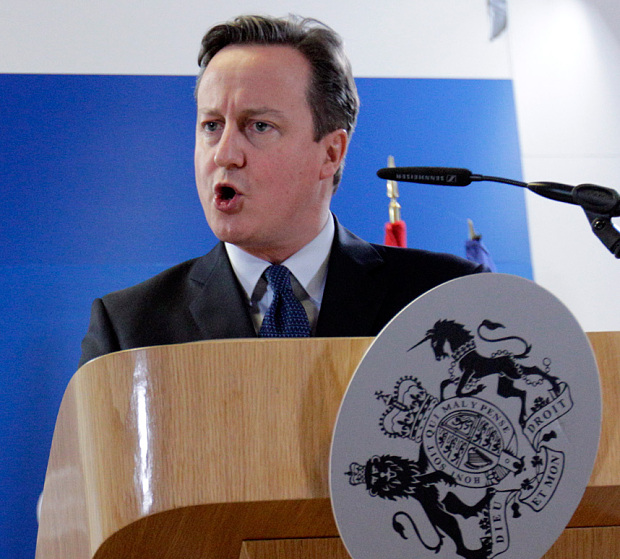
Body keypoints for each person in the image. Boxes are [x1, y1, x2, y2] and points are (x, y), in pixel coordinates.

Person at [79, 14, 486, 367]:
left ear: (330, 152)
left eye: (259, 126)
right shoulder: (129, 329)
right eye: (211, 126)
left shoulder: (443, 296)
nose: (225, 154)